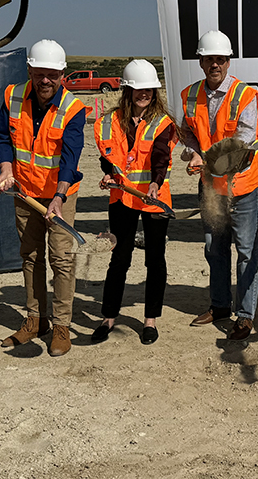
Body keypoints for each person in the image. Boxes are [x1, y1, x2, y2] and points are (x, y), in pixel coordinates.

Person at [0, 39, 86, 357]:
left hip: (60, 196)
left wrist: (57, 198)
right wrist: (5, 167)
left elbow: (70, 159)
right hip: (25, 193)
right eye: (40, 73)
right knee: (30, 257)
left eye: (53, 75)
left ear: (63, 75)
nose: (46, 80)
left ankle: (61, 327)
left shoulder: (72, 109)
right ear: (29, 70)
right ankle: (35, 320)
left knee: (61, 260)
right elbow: (0, 136)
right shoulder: (13, 96)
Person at [179, 30, 258, 341]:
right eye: (209, 59)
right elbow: (188, 131)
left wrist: (203, 159)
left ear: (228, 62)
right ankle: (219, 306)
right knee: (214, 250)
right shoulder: (190, 95)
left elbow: (242, 142)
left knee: (247, 251)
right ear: (201, 62)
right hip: (210, 188)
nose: (214, 64)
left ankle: (245, 316)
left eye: (220, 59)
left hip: (243, 186)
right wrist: (191, 151)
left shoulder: (244, 96)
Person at [91, 60, 177, 346]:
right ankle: (108, 317)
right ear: (127, 91)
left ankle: (150, 320)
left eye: (149, 89)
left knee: (155, 259)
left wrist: (155, 181)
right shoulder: (108, 121)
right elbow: (108, 156)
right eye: (138, 89)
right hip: (121, 198)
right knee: (120, 258)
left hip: (154, 199)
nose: (145, 94)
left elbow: (161, 155)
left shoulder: (163, 122)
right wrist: (109, 174)